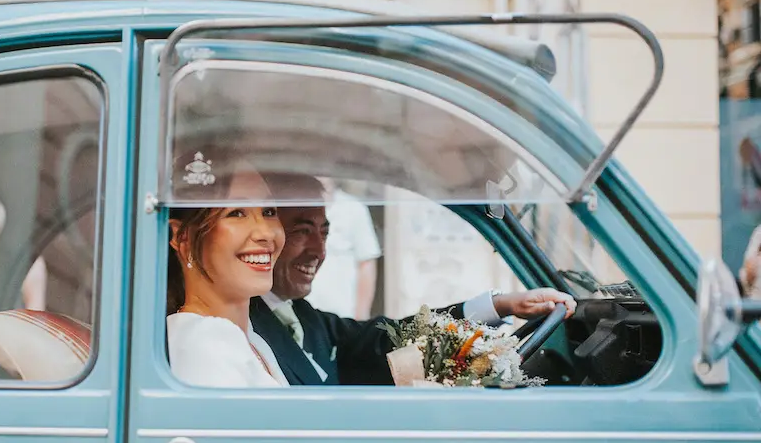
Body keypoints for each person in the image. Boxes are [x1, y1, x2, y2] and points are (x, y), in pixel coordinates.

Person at [250, 174, 577, 386]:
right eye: (302, 231)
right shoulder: (242, 324)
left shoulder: (303, 316)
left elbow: (387, 340)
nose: (319, 251)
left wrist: (500, 304)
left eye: (324, 233)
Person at [166, 150, 289, 388]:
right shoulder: (200, 343)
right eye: (237, 213)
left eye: (269, 212)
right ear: (183, 239)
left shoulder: (252, 341)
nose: (265, 233)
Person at [304, 178, 381, 319]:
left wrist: (361, 314)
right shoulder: (298, 206)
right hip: (304, 311)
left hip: (342, 313)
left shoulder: (354, 209)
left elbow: (366, 263)